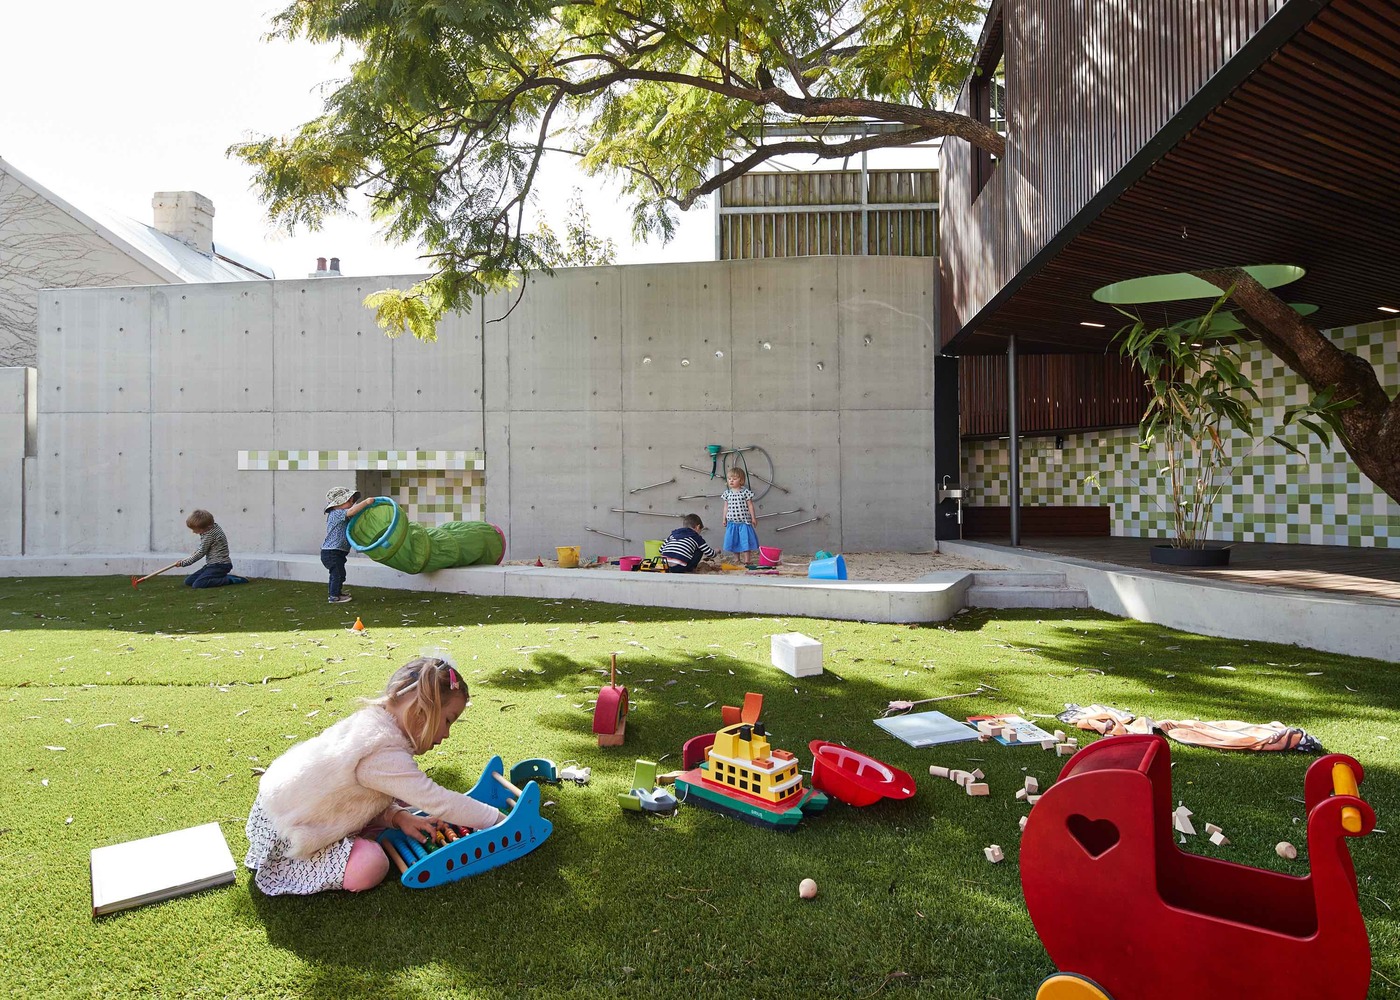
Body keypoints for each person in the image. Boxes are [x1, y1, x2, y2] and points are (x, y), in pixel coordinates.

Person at [244, 656, 507, 896]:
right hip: (288, 833)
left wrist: (397, 816)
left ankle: (377, 825)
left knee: (403, 801)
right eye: (448, 720)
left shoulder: (372, 726)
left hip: (282, 807)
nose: (447, 734)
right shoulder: (381, 751)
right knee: (371, 863)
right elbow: (438, 801)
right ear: (421, 711)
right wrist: (500, 821)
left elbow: (356, 794)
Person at [322, 487, 374, 604]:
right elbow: (351, 511)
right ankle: (334, 596)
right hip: (331, 552)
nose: (352, 503)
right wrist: (366, 502)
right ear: (337, 504)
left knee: (339, 574)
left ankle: (336, 593)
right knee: (337, 574)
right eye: (349, 501)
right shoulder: (336, 513)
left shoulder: (342, 515)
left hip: (337, 552)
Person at [178, 510, 247, 588]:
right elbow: (201, 548)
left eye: (197, 529)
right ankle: (219, 576)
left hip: (220, 565)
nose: (194, 532)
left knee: (198, 584)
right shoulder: (213, 527)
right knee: (189, 581)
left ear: (207, 527)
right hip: (211, 565)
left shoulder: (209, 535)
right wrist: (192, 556)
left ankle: (229, 579)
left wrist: (184, 563)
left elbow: (201, 552)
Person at [721, 467, 759, 567]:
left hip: (744, 522)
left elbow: (750, 506)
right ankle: (736, 559)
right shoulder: (727, 493)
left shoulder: (745, 492)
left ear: (741, 480)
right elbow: (725, 507)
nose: (731, 481)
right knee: (734, 540)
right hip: (732, 522)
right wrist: (724, 518)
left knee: (745, 540)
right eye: (729, 479)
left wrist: (753, 518)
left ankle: (747, 560)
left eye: (734, 479)